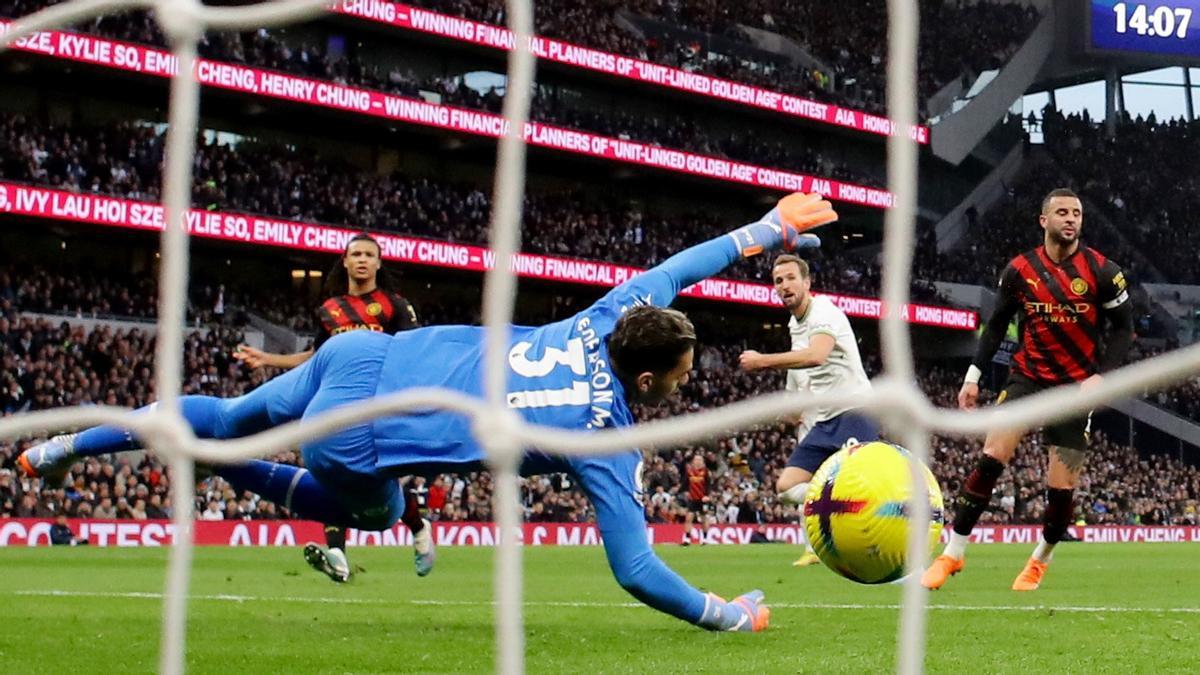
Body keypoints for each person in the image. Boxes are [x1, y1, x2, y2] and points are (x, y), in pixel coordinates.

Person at [18, 192, 837, 632]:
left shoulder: (607, 314)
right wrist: (728, 614)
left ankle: (71, 443)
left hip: (361, 357)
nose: (687, 384)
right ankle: (212, 461)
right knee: (379, 509)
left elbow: (678, 268)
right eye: (683, 374)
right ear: (651, 380)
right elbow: (636, 570)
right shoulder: (607, 443)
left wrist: (766, 227)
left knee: (229, 411)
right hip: (368, 439)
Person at [922, 188, 1134, 592]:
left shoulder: (1104, 271)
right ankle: (953, 553)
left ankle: (1039, 561)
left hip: (1075, 389)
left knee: (1061, 489)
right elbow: (997, 324)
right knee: (991, 456)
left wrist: (1102, 375)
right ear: (1044, 220)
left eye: (1076, 213)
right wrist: (973, 375)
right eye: (1062, 213)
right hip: (1027, 378)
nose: (1071, 219)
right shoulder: (1019, 270)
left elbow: (1124, 329)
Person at [234, 233, 431, 582]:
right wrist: (268, 359)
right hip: (338, 403)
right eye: (356, 254)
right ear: (345, 260)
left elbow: (415, 352)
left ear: (378, 262)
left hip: (380, 404)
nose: (362, 260)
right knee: (332, 471)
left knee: (379, 474)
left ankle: (417, 526)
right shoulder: (330, 310)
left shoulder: (393, 305)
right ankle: (338, 553)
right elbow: (315, 359)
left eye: (369, 255)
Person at [737, 254, 875, 567]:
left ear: (807, 282)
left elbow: (816, 356)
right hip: (824, 420)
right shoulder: (794, 324)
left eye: (790, 278)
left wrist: (762, 361)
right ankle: (838, 506)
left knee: (868, 483)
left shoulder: (822, 310)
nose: (784, 285)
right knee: (786, 487)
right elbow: (809, 375)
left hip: (855, 410)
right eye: (778, 281)